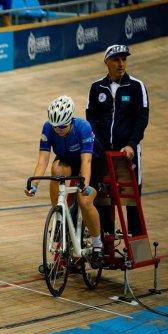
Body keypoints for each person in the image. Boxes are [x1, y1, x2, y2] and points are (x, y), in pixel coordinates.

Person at [25, 96, 104, 268]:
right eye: (55, 126)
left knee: (84, 200)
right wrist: (34, 185)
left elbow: (86, 162)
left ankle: (98, 245)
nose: (58, 130)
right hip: (68, 160)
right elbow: (43, 161)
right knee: (57, 171)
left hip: (92, 161)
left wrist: (84, 185)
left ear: (70, 120)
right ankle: (60, 215)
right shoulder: (49, 128)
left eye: (62, 126)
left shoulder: (83, 128)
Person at [86, 44, 149, 237]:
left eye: (124, 59)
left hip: (127, 154)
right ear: (106, 62)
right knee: (102, 197)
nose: (121, 64)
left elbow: (142, 118)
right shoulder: (97, 88)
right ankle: (105, 240)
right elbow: (91, 117)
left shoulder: (137, 86)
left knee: (132, 198)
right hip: (103, 153)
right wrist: (97, 146)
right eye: (116, 60)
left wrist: (131, 143)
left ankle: (136, 241)